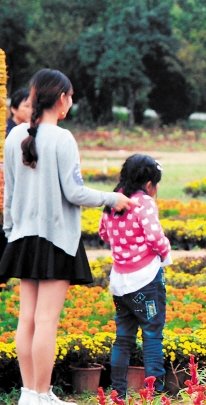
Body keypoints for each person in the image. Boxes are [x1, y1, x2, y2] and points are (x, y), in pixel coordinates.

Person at [1, 69, 135, 405]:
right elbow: (74, 192)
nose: (71, 103)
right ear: (61, 98)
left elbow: (9, 193)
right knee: (46, 320)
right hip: (56, 239)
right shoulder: (62, 139)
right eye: (71, 96)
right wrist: (111, 198)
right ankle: (42, 395)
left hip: (22, 238)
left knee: (27, 318)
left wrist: (9, 232)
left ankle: (29, 394)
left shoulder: (14, 136)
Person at [99, 154, 170, 399]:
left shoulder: (113, 200)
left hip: (120, 282)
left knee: (123, 338)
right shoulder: (144, 203)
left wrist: (124, 244)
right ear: (149, 183)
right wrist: (165, 252)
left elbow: (103, 233)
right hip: (146, 281)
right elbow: (155, 237)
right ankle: (154, 393)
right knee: (152, 336)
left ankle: (117, 392)